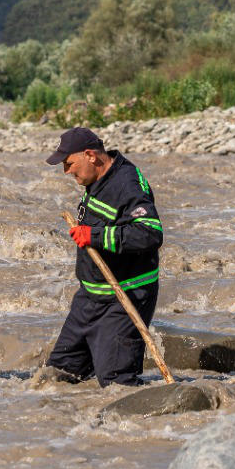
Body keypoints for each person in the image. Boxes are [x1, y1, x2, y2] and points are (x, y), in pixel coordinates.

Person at [46, 127, 163, 386]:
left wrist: (94, 236)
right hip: (89, 298)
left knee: (115, 382)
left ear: (90, 155)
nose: (67, 172)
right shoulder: (99, 179)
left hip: (125, 297)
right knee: (58, 375)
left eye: (69, 164)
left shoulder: (127, 184)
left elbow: (150, 234)